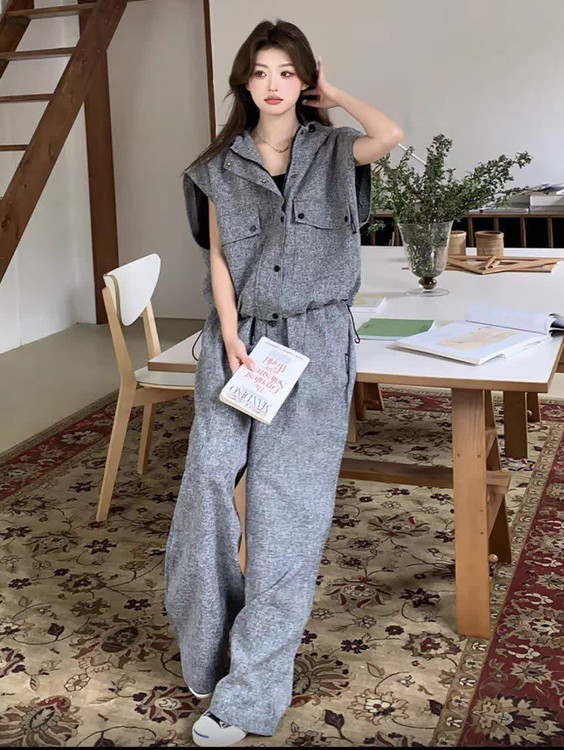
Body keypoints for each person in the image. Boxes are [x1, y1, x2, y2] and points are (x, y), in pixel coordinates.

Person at [164, 18, 404, 747]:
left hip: (316, 344)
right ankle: (209, 642)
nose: (273, 84)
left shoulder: (335, 150)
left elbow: (391, 134)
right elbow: (217, 258)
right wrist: (229, 332)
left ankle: (249, 694)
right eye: (262, 71)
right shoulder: (218, 166)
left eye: (288, 72)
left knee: (284, 514)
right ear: (244, 80)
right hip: (239, 343)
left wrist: (338, 94)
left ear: (305, 81)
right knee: (207, 485)